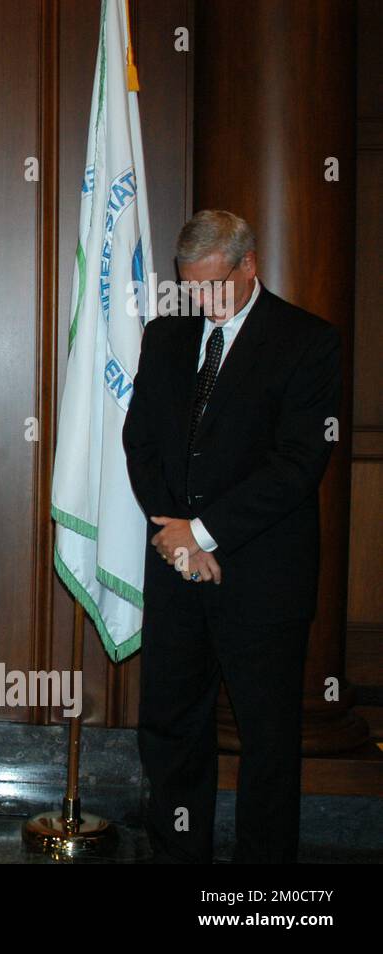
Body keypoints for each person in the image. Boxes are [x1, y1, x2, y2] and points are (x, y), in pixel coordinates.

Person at [122, 209, 341, 863]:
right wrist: (179, 539)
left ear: (250, 267)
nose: (202, 302)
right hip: (176, 568)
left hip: (262, 576)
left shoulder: (308, 342)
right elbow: (142, 443)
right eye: (190, 287)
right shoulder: (165, 337)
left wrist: (206, 534)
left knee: (268, 739)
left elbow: (298, 465)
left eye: (215, 285)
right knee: (171, 727)